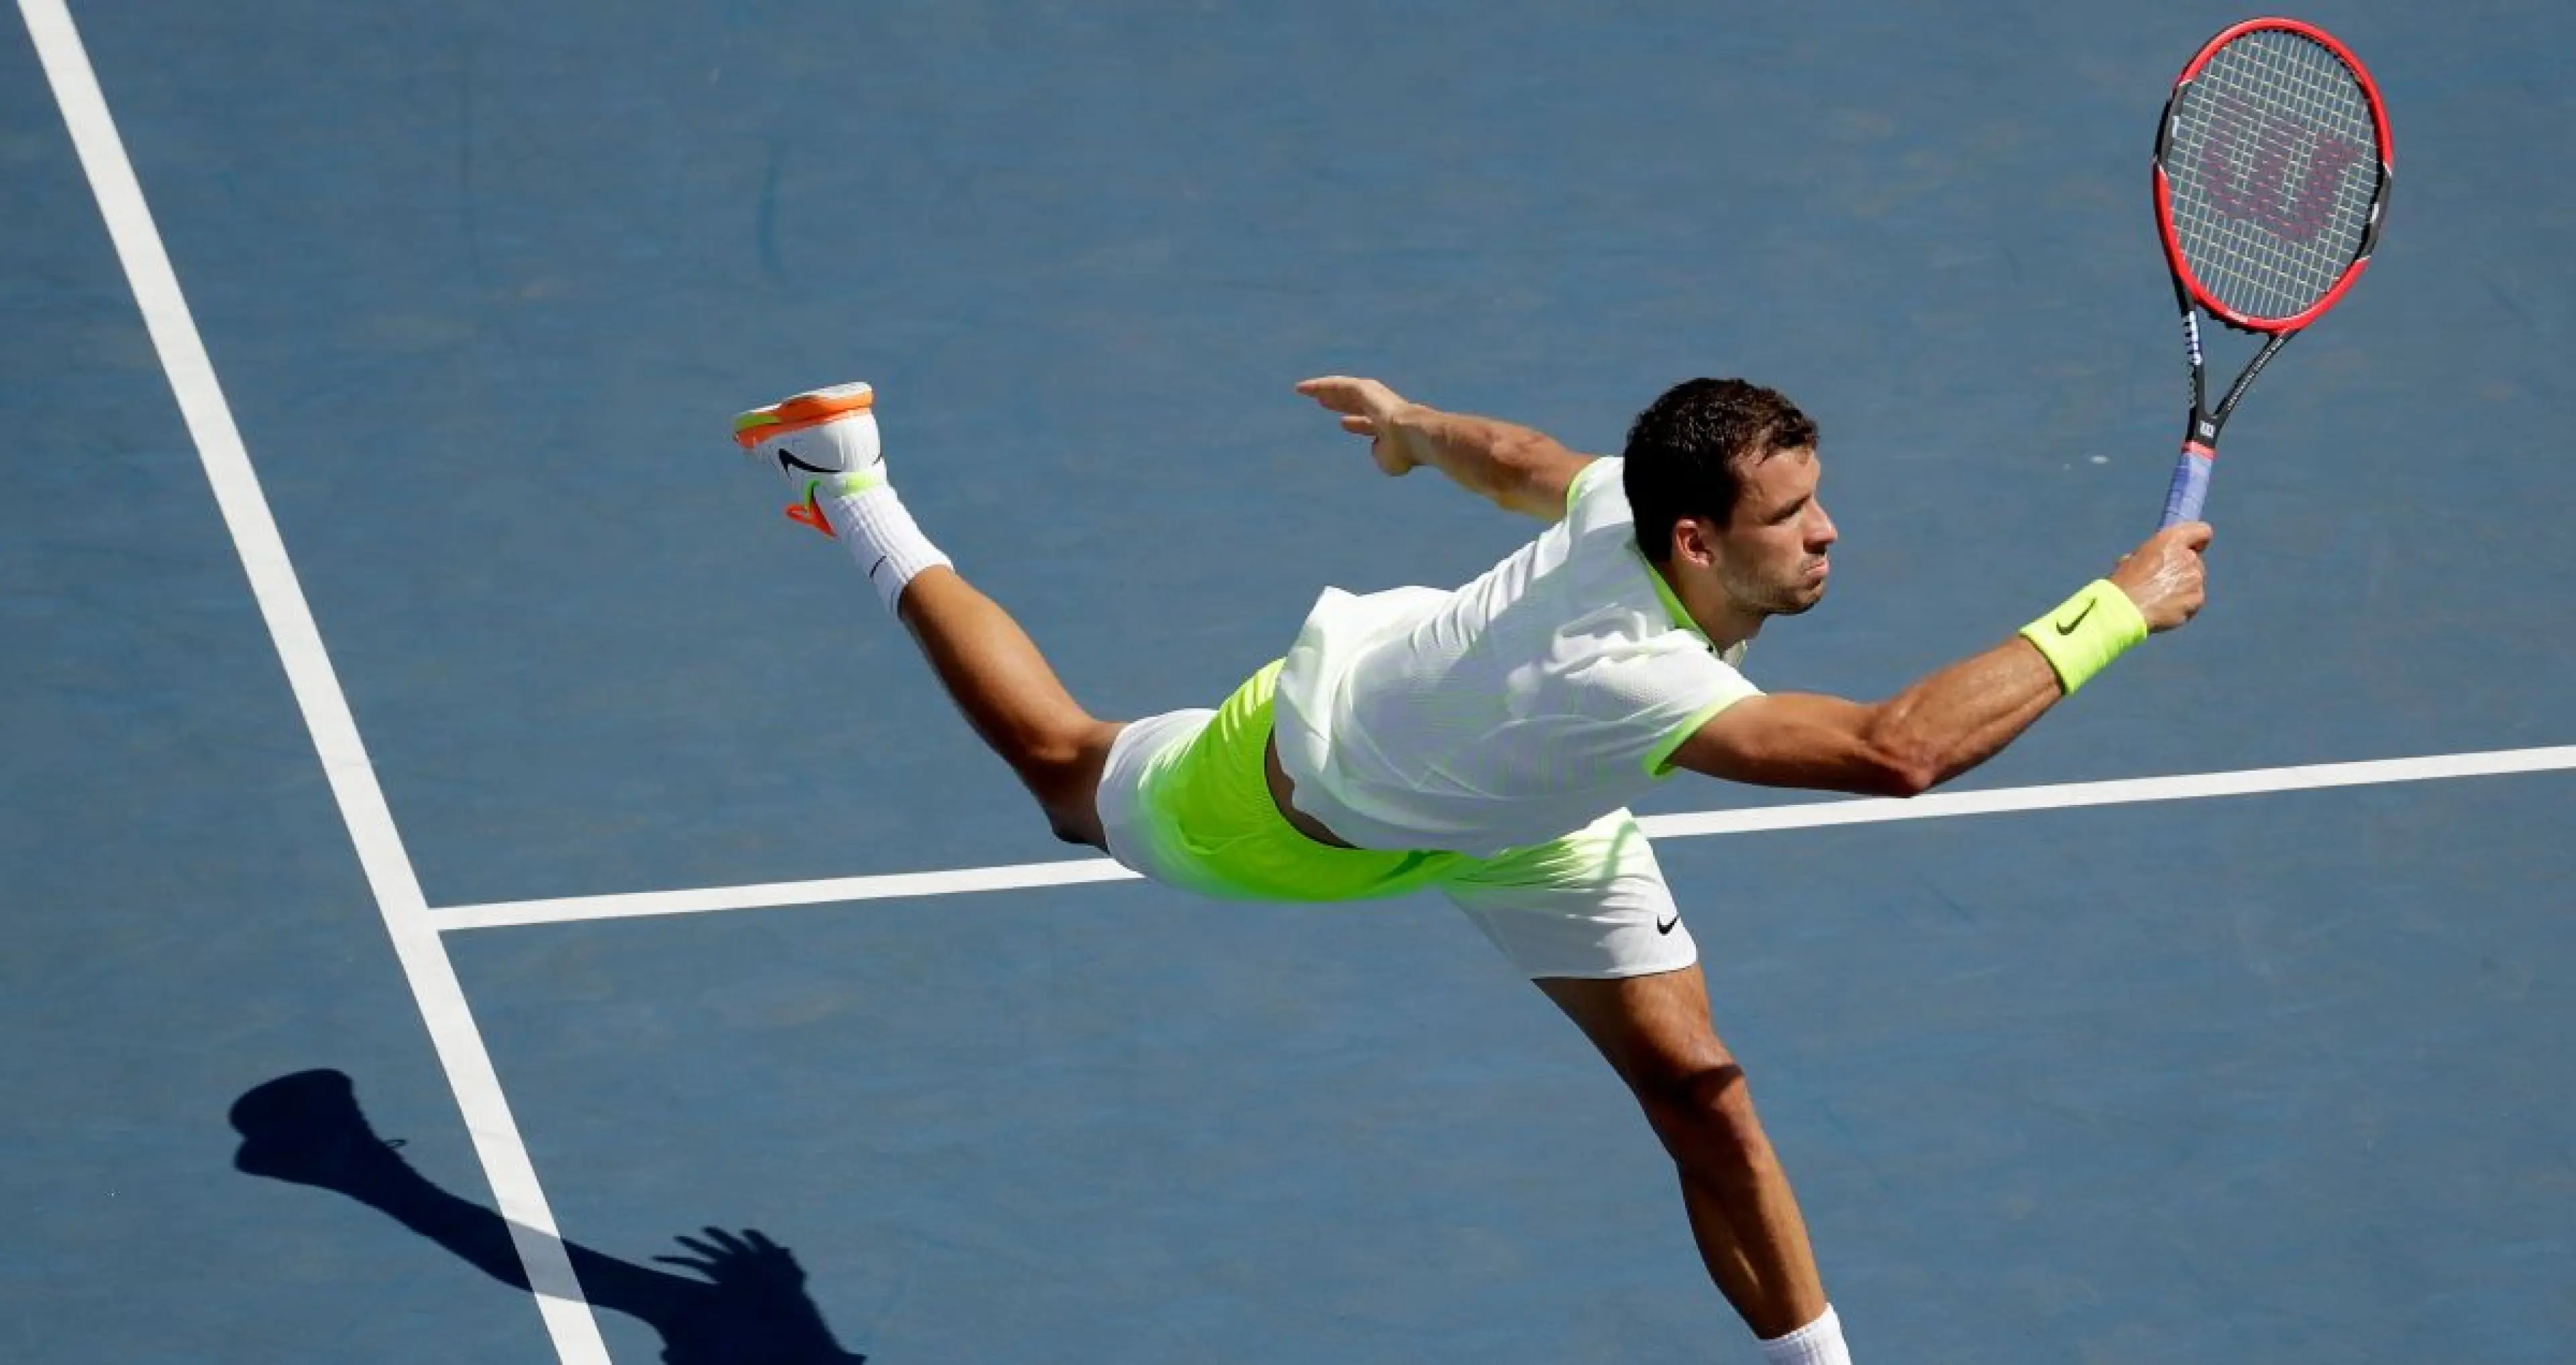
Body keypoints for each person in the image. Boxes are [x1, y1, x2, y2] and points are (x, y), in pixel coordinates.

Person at [728, 374, 2212, 1364]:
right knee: (1063, 767)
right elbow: (1897, 750)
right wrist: (2118, 608)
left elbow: (1522, 464)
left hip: (1537, 813)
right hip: (1309, 803)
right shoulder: (1631, 674)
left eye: (1817, 498)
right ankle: (852, 483)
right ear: (1695, 541)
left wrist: (1408, 424)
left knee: (1703, 1096)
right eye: (1789, 519)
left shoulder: (1622, 502)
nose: (1830, 532)